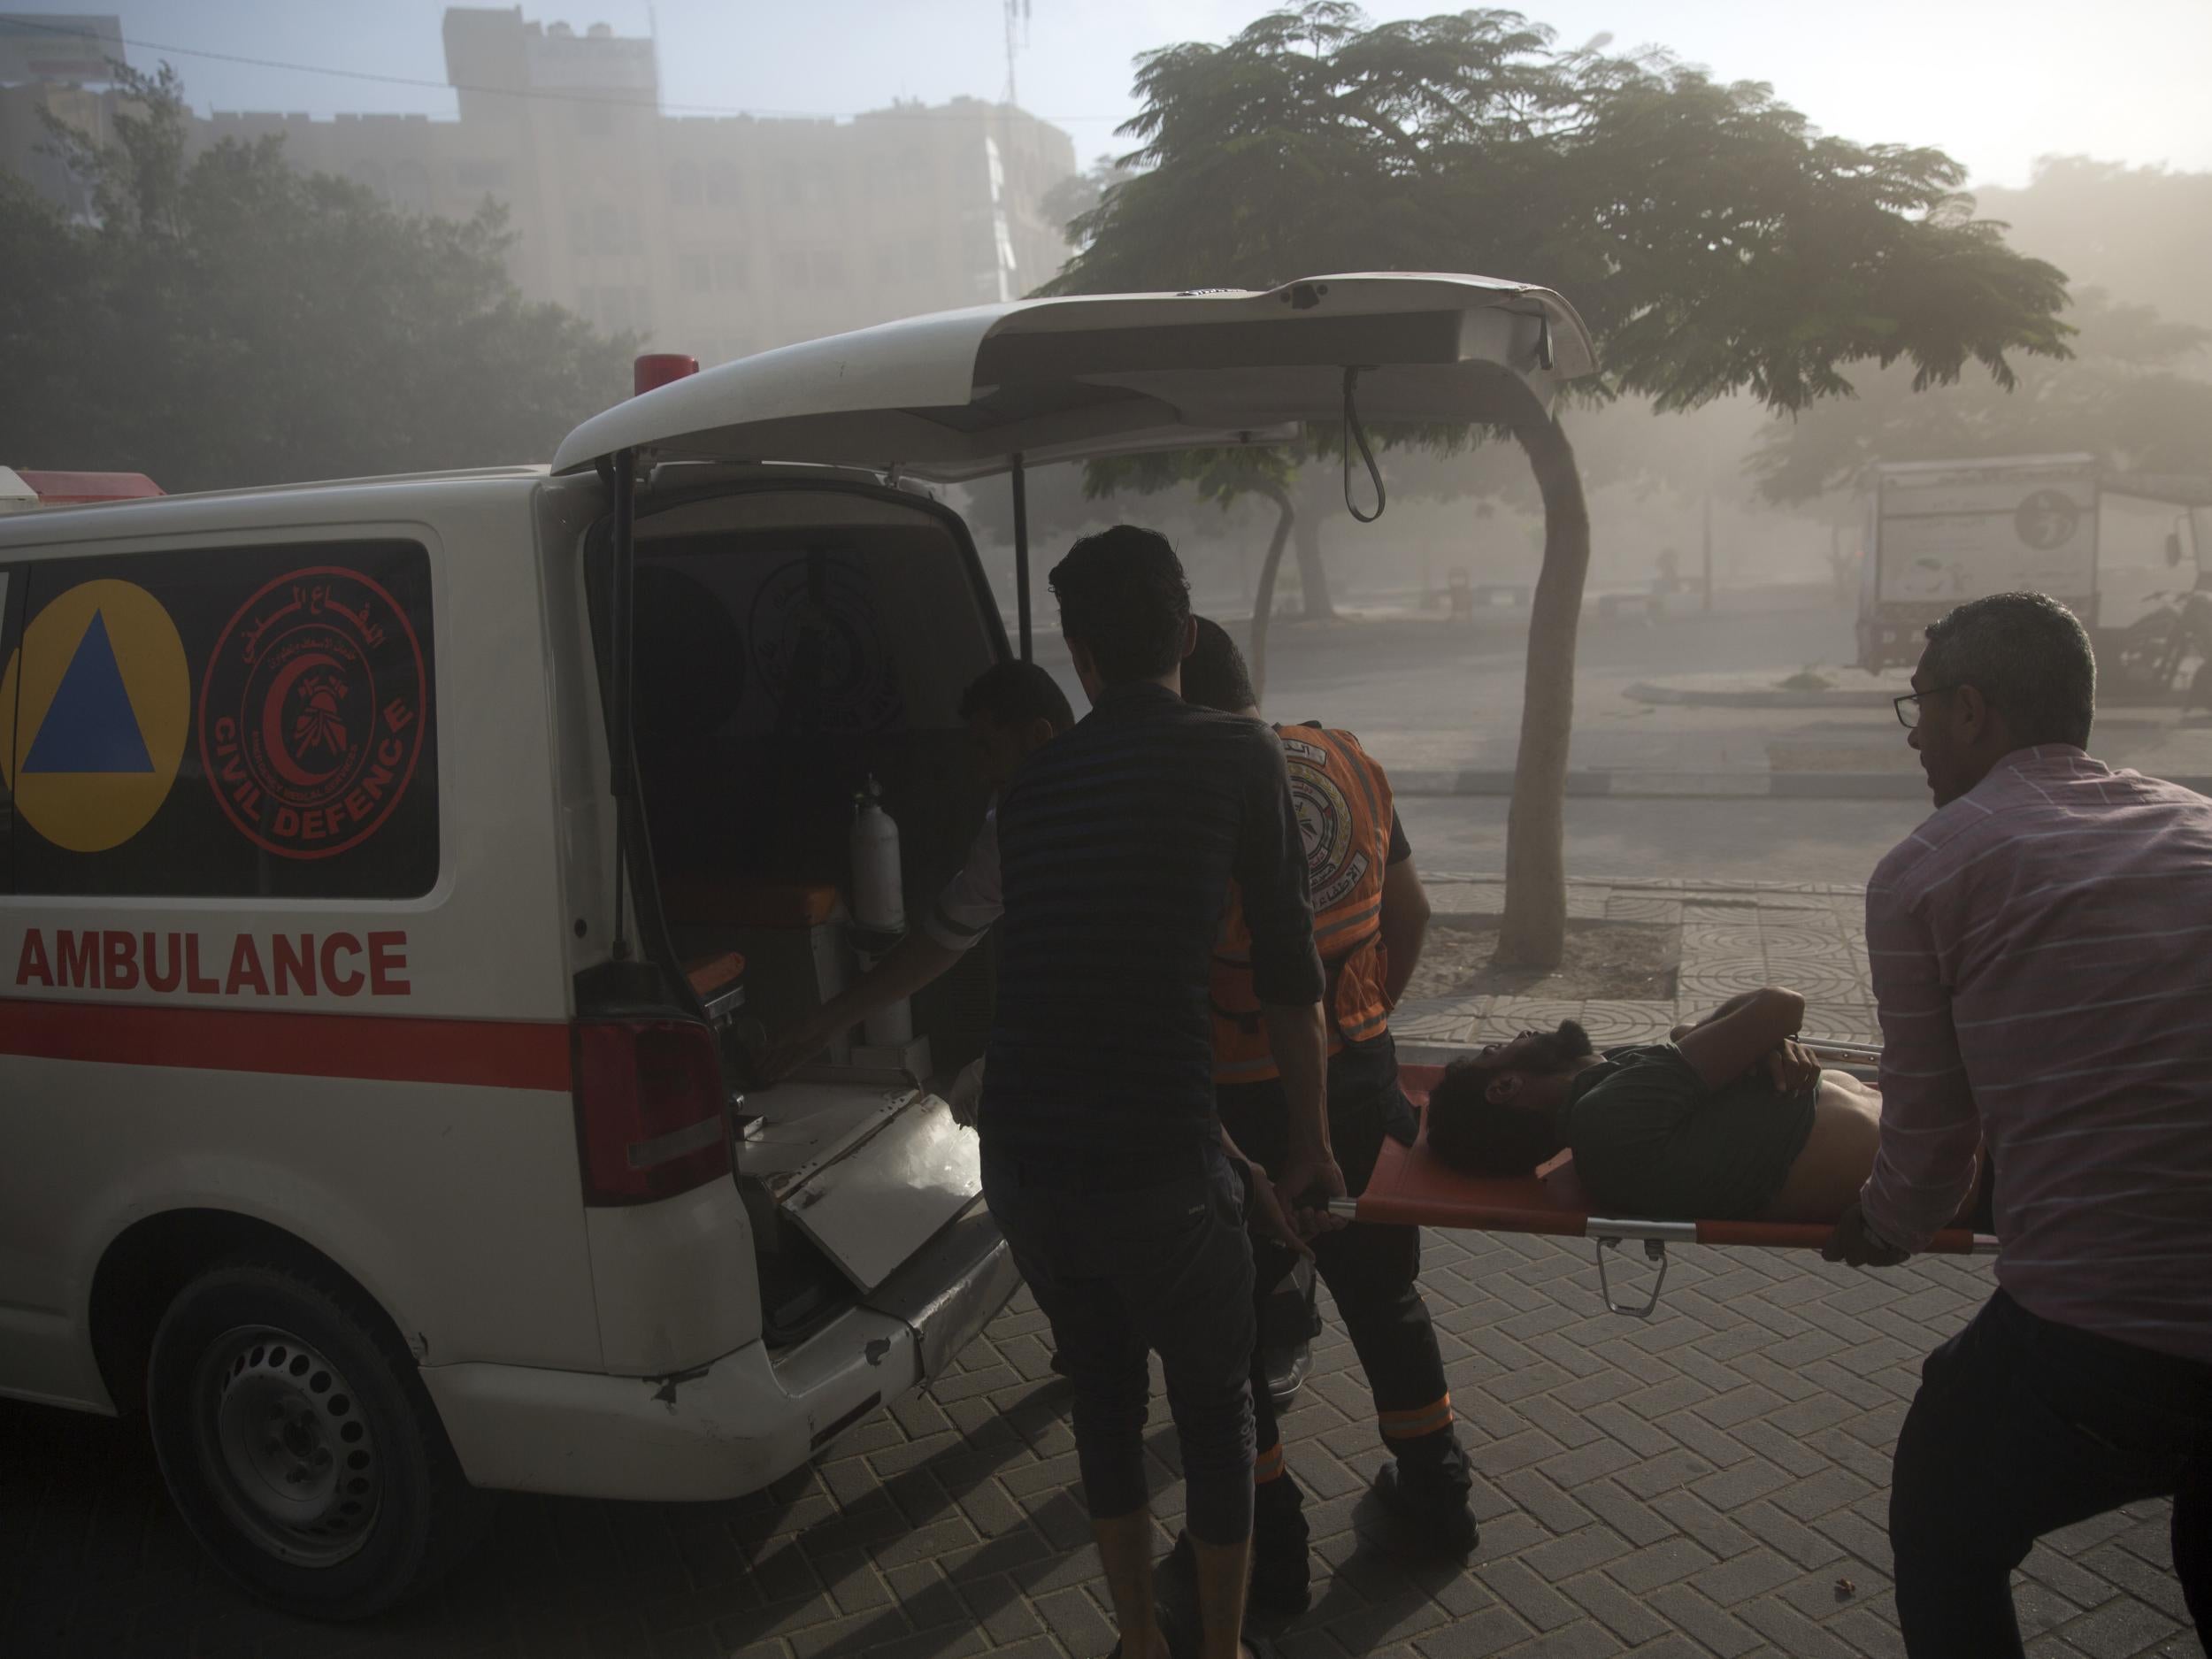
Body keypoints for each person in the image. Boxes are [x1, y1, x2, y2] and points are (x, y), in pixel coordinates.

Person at [1819, 591, 2212, 1656]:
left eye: (1919, 711)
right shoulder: (2196, 825)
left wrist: (1880, 1230)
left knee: (1941, 1504)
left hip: (2103, 1337)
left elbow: (1934, 1144)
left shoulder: (1927, 871)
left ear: (1973, 711)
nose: (1915, 743)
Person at [979, 526, 1345, 1659]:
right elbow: (1287, 970)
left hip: (1025, 1157)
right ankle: (1219, 1650)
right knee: (1216, 1407)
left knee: (1101, 1396)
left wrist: (1232, 1157)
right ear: (1186, 634)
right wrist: (1310, 1147)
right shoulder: (1238, 754)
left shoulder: (1032, 787)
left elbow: (1069, 990)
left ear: (1079, 658)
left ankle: (1139, 1640)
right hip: (1152, 1161)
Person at [1179, 616, 1476, 1610]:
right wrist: (1367, 1017)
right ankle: (1437, 1497)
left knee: (1225, 1330)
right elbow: (1414, 913)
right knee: (1383, 1293)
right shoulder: (1346, 759)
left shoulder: (1190, 792)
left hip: (1246, 1108)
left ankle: (1269, 1548)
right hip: (1362, 1081)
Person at [759, 659, 1073, 1083]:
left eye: (988, 748)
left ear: (1039, 737)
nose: (981, 771)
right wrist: (825, 1025)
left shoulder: (1041, 817)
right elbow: (940, 940)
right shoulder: (1011, 830)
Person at [1423, 994, 1970, 1225]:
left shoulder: (1612, 1097)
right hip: (1978, 1160)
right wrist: (1759, 1033)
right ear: (1504, 1088)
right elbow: (1783, 1004)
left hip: (1960, 1129)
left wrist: (1755, 1040)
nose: (1518, 1032)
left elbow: (1705, 1033)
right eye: (1495, 1051)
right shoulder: (1606, 1119)